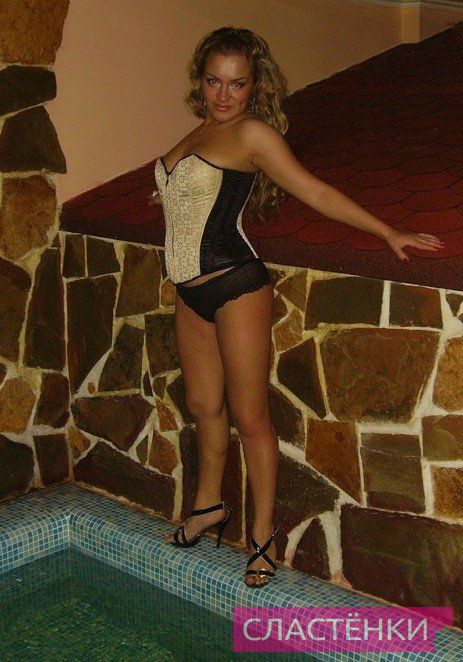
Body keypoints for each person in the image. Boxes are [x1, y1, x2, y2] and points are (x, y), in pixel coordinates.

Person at [149, 26, 444, 588]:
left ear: (254, 84)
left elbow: (316, 191)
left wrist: (387, 231)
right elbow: (188, 197)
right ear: (200, 81)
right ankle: (208, 506)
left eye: (237, 83)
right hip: (188, 291)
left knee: (250, 416)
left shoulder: (252, 133)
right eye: (214, 81)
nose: (224, 94)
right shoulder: (199, 132)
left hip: (235, 284)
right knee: (203, 406)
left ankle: (262, 538)